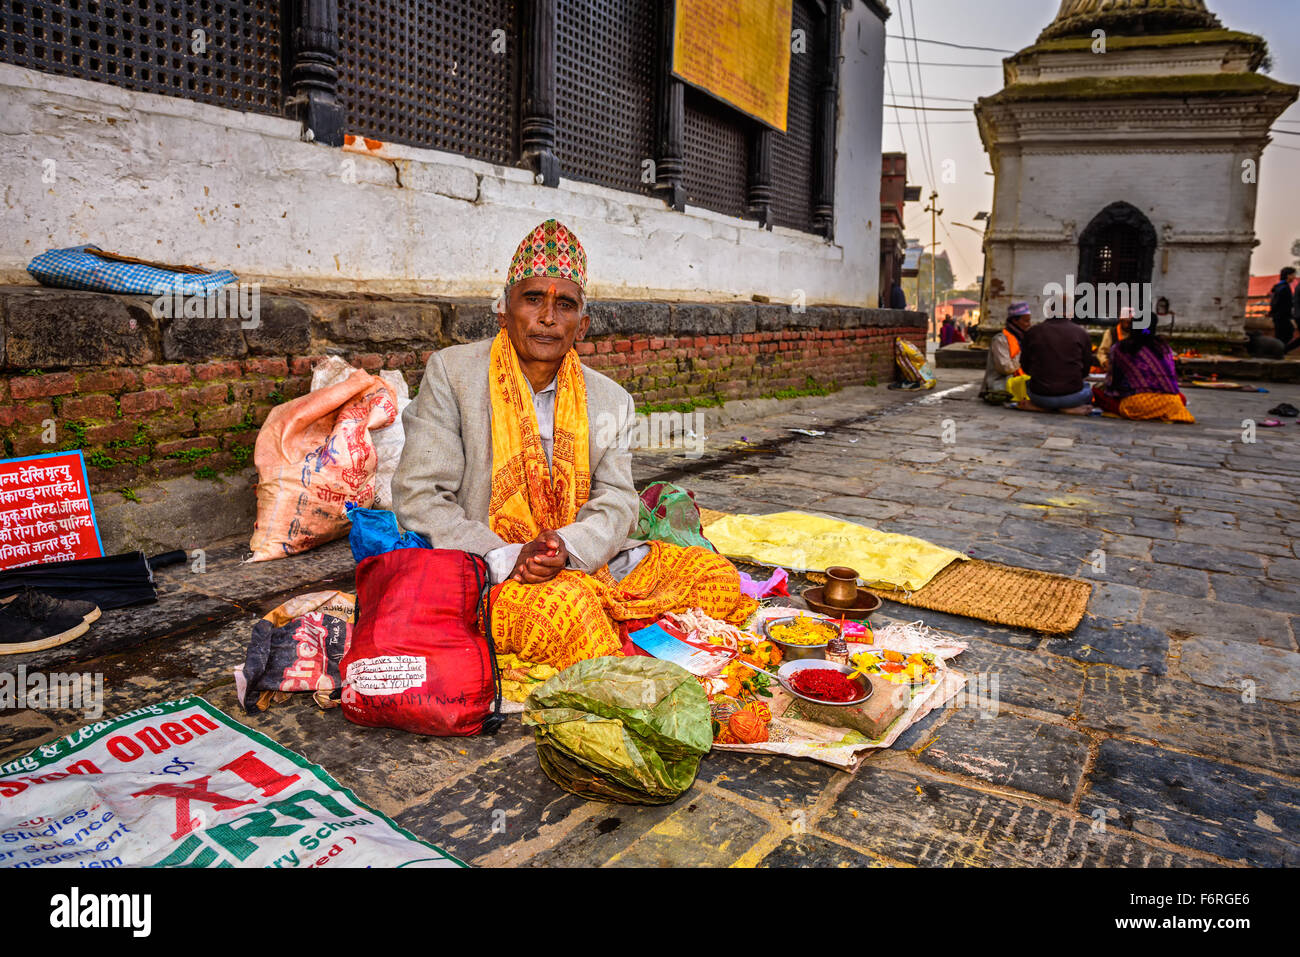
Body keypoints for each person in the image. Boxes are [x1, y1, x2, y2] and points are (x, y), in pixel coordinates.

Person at [391, 219, 755, 670]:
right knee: (572, 614)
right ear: (504, 311)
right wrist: (509, 557)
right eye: (532, 300)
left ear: (581, 325)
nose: (547, 318)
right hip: (492, 566)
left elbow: (618, 500)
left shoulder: (611, 399)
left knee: (718, 579)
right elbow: (420, 496)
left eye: (564, 305)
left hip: (581, 558)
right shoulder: (454, 373)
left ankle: (616, 624)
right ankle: (620, 643)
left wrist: (565, 548)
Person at [1092, 325, 1194, 423]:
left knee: (1096, 391)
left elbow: (1112, 384)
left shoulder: (1120, 348)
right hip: (1169, 404)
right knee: (1181, 399)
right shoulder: (1164, 347)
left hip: (1137, 404)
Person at [1018, 308, 1095, 414]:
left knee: (1028, 384)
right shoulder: (1081, 333)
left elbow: (1025, 366)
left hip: (1040, 396)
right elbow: (1086, 370)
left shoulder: (1032, 332)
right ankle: (1065, 409)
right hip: (1073, 397)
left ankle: (1044, 408)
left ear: (1049, 312)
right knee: (1088, 389)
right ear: (1070, 313)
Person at [980, 301, 1031, 404]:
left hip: (1019, 381)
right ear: (1015, 321)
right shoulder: (1000, 340)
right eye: (1025, 321)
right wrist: (1024, 354)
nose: (1029, 324)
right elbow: (1005, 368)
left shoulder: (1024, 338)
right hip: (1000, 384)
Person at [1095, 306, 1135, 371]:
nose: (1130, 324)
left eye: (1131, 322)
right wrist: (1105, 362)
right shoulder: (1110, 333)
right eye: (1127, 322)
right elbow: (1101, 353)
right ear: (1121, 320)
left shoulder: (1137, 333)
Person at [1270, 267, 1299, 352]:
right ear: (1288, 275)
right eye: (1293, 275)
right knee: (1286, 334)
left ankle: (1280, 351)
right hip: (1282, 316)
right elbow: (1280, 303)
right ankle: (1280, 351)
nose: (1294, 277)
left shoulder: (1279, 286)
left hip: (1279, 316)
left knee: (1283, 334)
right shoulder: (1284, 288)